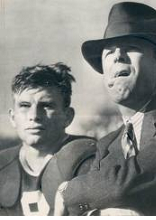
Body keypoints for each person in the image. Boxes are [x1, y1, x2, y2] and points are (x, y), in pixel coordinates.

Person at [55, 2, 156, 216]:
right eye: (109, 53)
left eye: (131, 47)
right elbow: (88, 205)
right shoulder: (106, 145)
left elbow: (125, 185)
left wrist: (67, 192)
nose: (117, 56)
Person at [0, 63, 96, 216]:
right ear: (13, 117)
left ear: (68, 116)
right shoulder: (2, 166)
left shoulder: (90, 159)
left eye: (46, 105)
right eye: (25, 105)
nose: (34, 115)